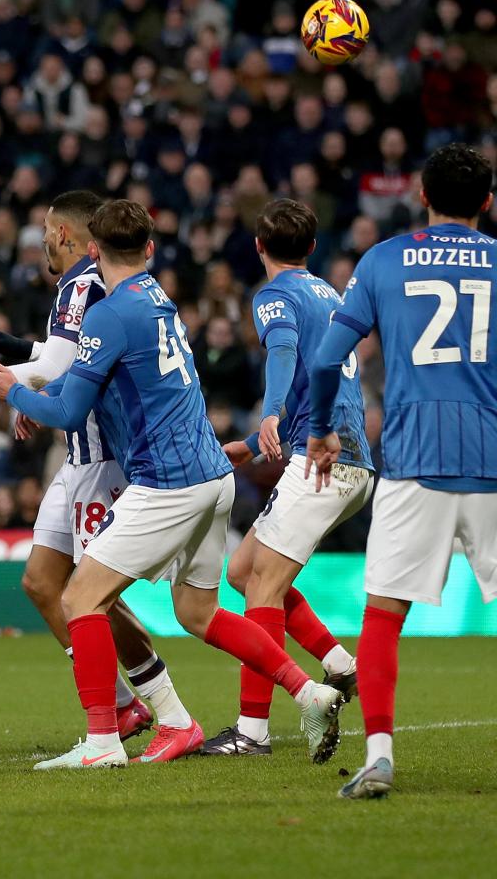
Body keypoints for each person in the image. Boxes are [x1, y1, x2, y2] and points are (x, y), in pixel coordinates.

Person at [0, 199, 346, 769]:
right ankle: (309, 691)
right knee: (198, 613)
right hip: (215, 476)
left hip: (168, 482)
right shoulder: (159, 297)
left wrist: (14, 393)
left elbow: (73, 413)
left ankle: (103, 741)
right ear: (150, 249)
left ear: (94, 250)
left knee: (80, 597)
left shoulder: (106, 312)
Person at [0, 191, 197, 766]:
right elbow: (66, 359)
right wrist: (34, 380)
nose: (40, 239)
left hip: (103, 460)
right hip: (78, 458)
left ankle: (162, 711)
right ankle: (120, 704)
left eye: (46, 230)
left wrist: (5, 381)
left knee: (92, 594)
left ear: (66, 235)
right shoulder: (97, 286)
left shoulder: (79, 286)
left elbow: (57, 366)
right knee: (44, 583)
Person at [306, 144, 497, 800]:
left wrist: (320, 431)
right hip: (493, 455)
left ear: (422, 195)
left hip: (416, 459)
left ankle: (380, 758)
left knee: (384, 614)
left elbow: (326, 357)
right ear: (489, 202)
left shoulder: (383, 259)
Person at [204, 199, 372, 757]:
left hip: (322, 459)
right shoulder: (327, 292)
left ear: (257, 246)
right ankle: (339, 664)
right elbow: (314, 380)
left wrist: (267, 413)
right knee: (244, 570)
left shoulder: (275, 296)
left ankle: (252, 732)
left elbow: (282, 354)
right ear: (313, 248)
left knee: (264, 587)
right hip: (349, 457)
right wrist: (253, 447)